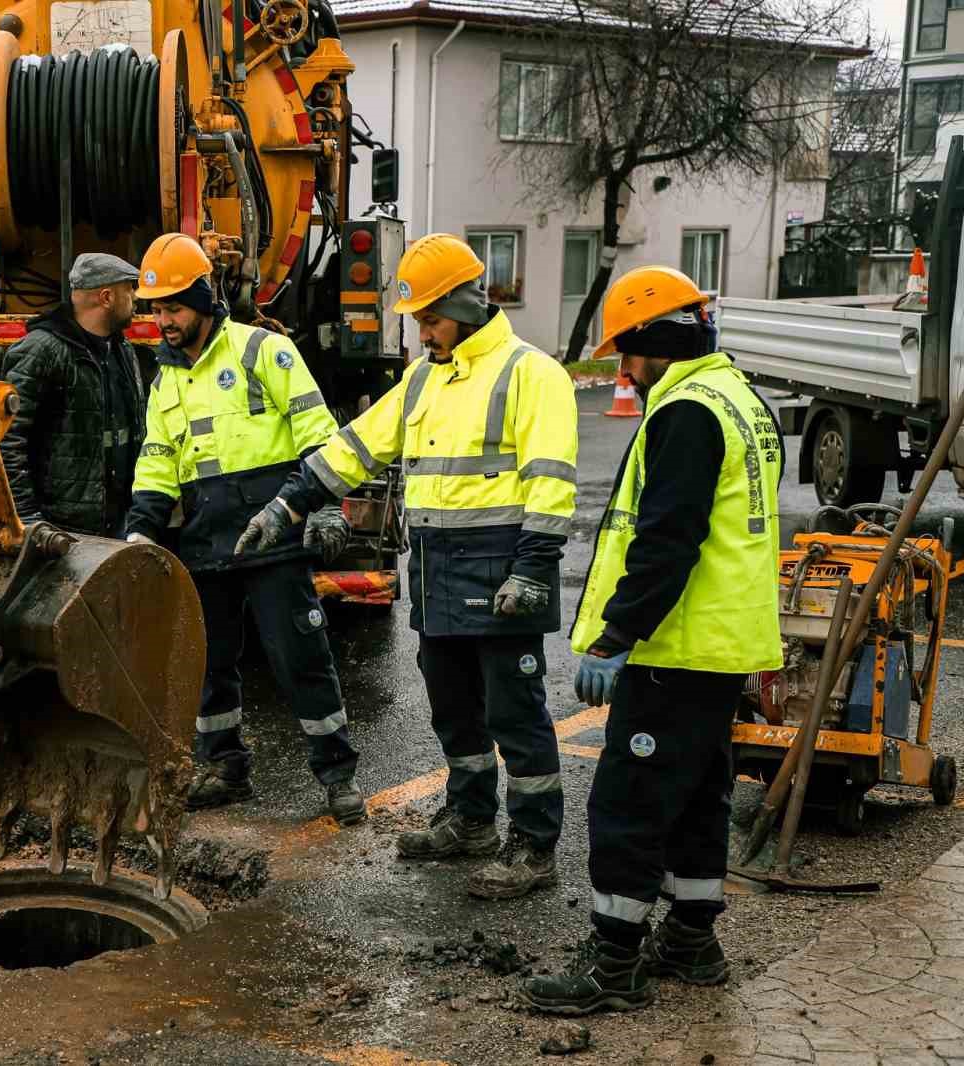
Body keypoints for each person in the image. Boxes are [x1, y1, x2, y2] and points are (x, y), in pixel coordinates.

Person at [239, 233, 577, 899]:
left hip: (506, 576)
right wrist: (288, 505)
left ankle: (534, 846)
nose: (423, 332)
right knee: (454, 711)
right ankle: (472, 820)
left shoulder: (530, 374)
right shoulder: (423, 378)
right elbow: (353, 450)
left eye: (431, 317)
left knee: (516, 716)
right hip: (439, 577)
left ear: (468, 302)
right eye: (418, 319)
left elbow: (552, 484)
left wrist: (534, 568)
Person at [520, 266, 783, 1015]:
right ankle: (693, 940)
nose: (624, 369)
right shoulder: (739, 399)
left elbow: (668, 539)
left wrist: (616, 637)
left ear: (659, 340)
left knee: (630, 800)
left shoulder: (688, 412)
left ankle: (614, 962)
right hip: (723, 644)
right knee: (699, 793)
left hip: (676, 645)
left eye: (629, 352)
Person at [124, 233, 363, 825]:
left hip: (275, 538)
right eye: (156, 309)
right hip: (206, 545)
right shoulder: (164, 382)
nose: (164, 321)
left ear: (205, 298)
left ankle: (337, 775)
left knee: (300, 659)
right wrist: (140, 534)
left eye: (174, 307)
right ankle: (225, 767)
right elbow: (157, 464)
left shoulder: (263, 352)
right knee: (208, 665)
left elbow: (316, 431)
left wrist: (326, 506)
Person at [0, 253, 145, 537]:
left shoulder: (122, 349)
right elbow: (6, 443)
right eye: (129, 289)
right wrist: (27, 520)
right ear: (107, 297)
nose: (136, 298)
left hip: (116, 523)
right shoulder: (42, 351)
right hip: (63, 530)